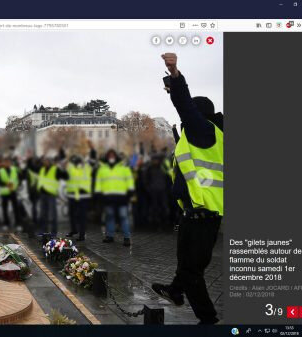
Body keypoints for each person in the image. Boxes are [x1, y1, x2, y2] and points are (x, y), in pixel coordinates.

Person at [151, 53, 223, 325]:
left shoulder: (205, 131)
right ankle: (178, 293)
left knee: (192, 270)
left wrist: (175, 75)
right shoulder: (205, 137)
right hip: (197, 214)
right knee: (188, 267)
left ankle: (207, 318)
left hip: (202, 214)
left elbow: (184, 107)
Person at [95, 149, 135, 245]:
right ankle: (109, 236)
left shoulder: (124, 168)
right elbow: (98, 183)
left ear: (116, 156)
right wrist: (98, 194)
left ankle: (126, 238)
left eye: (113, 155)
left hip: (122, 198)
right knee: (110, 217)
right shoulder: (102, 169)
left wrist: (130, 192)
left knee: (123, 217)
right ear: (107, 157)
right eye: (109, 155)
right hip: (108, 198)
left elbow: (129, 181)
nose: (111, 157)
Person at [37, 154, 68, 236]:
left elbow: (65, 176)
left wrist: (64, 169)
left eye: (47, 161)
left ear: (50, 162)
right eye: (44, 161)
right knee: (43, 214)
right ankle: (43, 231)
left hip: (51, 195)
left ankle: (54, 232)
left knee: (53, 215)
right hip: (43, 194)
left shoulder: (55, 169)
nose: (45, 162)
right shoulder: (42, 169)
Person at [65, 154, 92, 241]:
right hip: (72, 195)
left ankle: (82, 234)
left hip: (83, 196)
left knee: (82, 216)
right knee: (72, 214)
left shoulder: (86, 168)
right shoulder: (71, 167)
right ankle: (74, 230)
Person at [0, 157, 21, 230]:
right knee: (5, 209)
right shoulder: (0, 171)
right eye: (5, 162)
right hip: (5, 192)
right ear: (4, 163)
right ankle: (6, 223)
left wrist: (17, 185)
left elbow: (19, 179)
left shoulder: (14, 169)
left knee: (16, 208)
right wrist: (6, 184)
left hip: (13, 191)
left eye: (8, 162)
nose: (7, 163)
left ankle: (18, 224)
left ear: (10, 163)